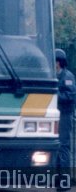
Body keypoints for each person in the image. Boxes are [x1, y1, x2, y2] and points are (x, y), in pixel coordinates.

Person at [56, 49, 76, 190]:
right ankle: (58, 179)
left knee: (64, 146)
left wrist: (54, 92)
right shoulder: (54, 75)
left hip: (65, 115)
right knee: (56, 146)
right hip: (56, 114)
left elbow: (70, 96)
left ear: (59, 62)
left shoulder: (67, 76)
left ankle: (65, 181)